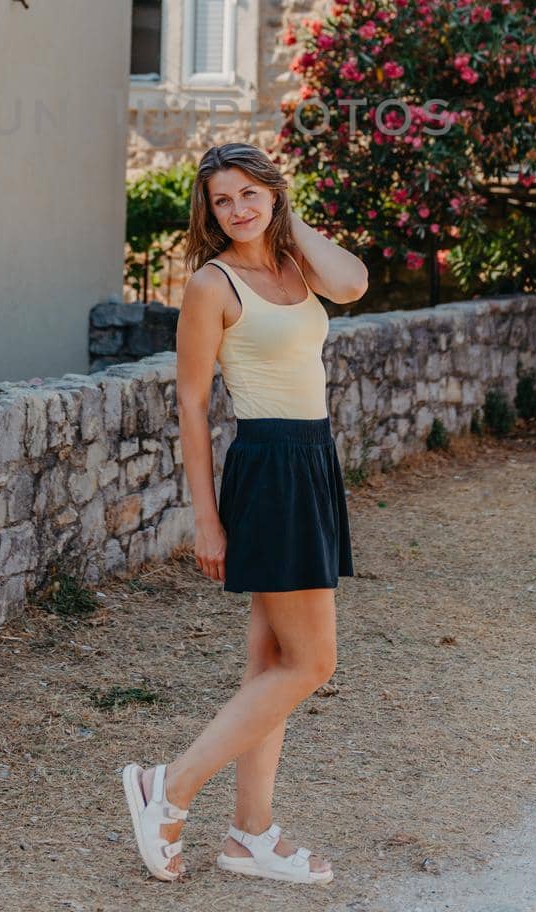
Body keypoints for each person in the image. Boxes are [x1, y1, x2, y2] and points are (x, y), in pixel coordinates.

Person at [121, 141, 369, 885]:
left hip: (313, 460)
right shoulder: (212, 284)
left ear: (272, 190)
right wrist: (206, 518)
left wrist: (287, 220)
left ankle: (249, 837)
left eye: (249, 193)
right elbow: (193, 405)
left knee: (272, 663)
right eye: (222, 201)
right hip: (268, 466)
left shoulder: (295, 266)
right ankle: (168, 788)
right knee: (312, 661)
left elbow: (353, 284)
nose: (237, 210)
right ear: (209, 212)